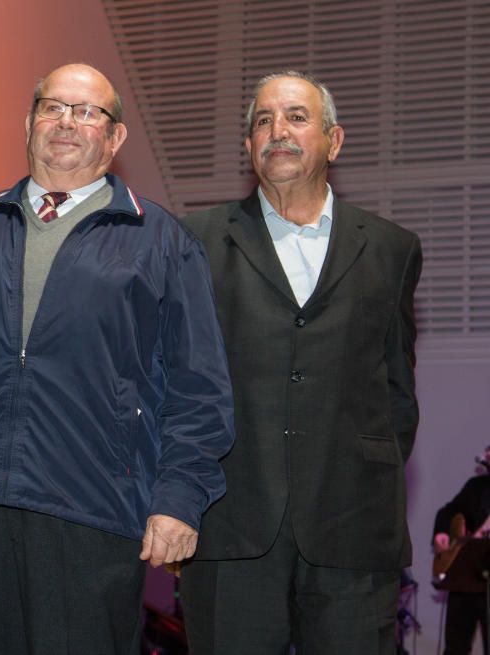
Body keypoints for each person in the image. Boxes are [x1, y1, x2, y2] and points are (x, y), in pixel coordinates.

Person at [0, 63, 235, 655]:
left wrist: (179, 499)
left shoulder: (161, 241)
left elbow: (199, 391)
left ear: (115, 139)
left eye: (89, 111)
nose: (67, 121)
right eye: (53, 107)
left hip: (93, 510)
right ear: (29, 123)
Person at [179, 71, 423, 654]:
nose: (277, 132)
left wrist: (364, 473)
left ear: (334, 141)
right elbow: (178, 385)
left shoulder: (393, 249)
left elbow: (397, 393)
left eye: (295, 117)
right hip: (230, 525)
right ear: (248, 147)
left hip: (355, 530)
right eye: (262, 121)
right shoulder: (194, 241)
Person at [432, 446, 490, 655]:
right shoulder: (477, 486)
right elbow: (449, 511)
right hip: (466, 579)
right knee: (455, 647)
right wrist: (441, 532)